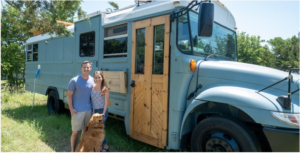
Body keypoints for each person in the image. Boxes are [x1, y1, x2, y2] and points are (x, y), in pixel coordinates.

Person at [67, 61, 94, 152]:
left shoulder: (92, 80)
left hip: (88, 110)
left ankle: (80, 149)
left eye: (88, 67)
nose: (86, 69)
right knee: (75, 132)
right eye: (84, 67)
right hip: (77, 111)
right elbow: (69, 95)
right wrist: (71, 109)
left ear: (90, 68)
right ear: (81, 68)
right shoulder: (74, 80)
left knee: (85, 130)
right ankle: (72, 150)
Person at [91, 71, 110, 152]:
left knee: (99, 129)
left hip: (101, 111)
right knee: (95, 129)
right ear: (94, 78)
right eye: (96, 77)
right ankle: (99, 145)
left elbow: (106, 103)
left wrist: (103, 114)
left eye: (99, 77)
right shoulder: (92, 87)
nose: (97, 79)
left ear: (102, 78)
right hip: (93, 111)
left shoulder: (105, 89)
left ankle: (105, 145)